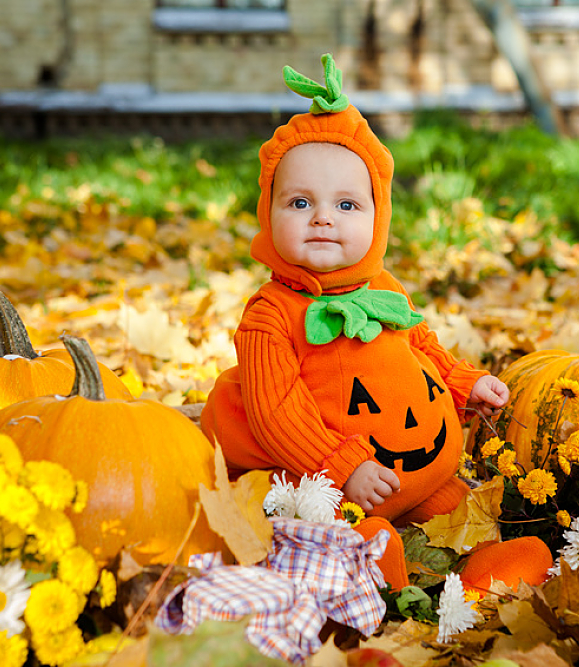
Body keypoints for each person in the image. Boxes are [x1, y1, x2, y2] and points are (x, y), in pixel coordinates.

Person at [201, 54, 508, 590]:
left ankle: (486, 570)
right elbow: (276, 412)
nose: (323, 217)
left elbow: (420, 348)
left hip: (418, 472)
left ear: (377, 215)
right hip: (332, 484)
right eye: (300, 202)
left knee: (464, 514)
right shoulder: (270, 315)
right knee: (345, 531)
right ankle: (378, 583)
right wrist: (340, 466)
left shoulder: (384, 289)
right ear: (268, 214)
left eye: (346, 205)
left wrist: (463, 385)